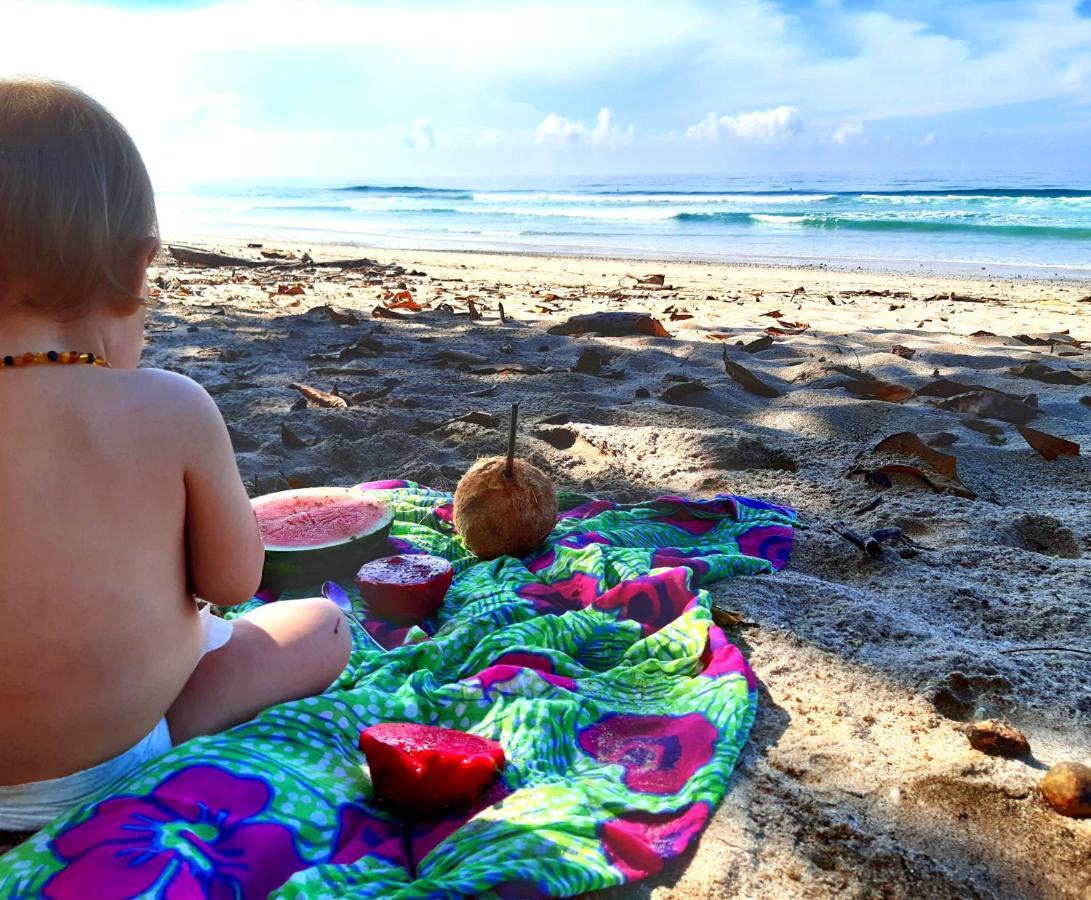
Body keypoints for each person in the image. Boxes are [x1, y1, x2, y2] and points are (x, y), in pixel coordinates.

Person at [0, 78, 351, 833]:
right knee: (322, 625)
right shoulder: (170, 406)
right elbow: (232, 580)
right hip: (119, 755)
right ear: (136, 268)